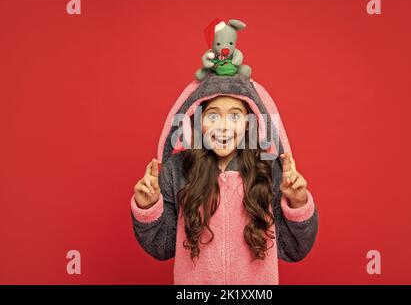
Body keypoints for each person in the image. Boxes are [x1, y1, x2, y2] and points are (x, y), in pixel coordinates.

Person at [130, 74, 318, 284]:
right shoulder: (178, 169)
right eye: (213, 116)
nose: (224, 126)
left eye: (235, 116)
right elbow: (162, 246)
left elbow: (293, 248)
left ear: (249, 123)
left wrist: (298, 203)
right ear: (198, 119)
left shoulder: (269, 170)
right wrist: (147, 208)